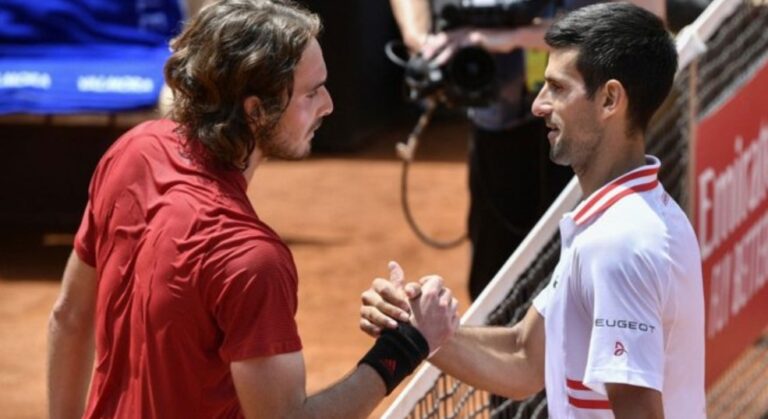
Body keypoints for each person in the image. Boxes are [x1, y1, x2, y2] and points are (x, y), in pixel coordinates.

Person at [46, 1, 459, 418]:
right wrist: (403, 348)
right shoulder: (250, 260)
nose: (329, 105)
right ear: (256, 110)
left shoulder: (133, 152)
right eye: (311, 92)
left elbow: (70, 315)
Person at [361, 3, 706, 418]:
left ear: (610, 99)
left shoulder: (619, 245)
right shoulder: (626, 218)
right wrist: (417, 330)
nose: (539, 105)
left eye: (558, 89)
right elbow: (525, 358)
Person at [390, 0, 664, 300]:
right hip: (495, 125)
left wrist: (514, 37)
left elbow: (648, 22)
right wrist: (421, 41)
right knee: (493, 281)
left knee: (585, 279)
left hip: (588, 134)